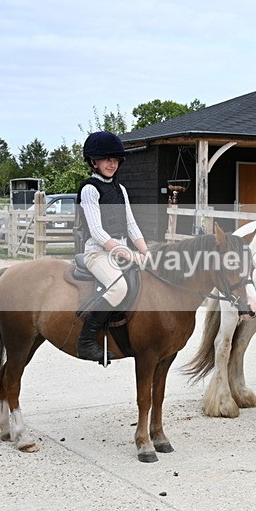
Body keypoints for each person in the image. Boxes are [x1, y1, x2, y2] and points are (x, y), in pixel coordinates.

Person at [75, 131, 149, 362]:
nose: (112, 164)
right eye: (107, 159)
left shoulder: (121, 189)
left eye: (115, 159)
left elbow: (131, 225)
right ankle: (86, 341)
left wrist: (145, 252)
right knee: (118, 288)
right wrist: (128, 253)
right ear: (93, 162)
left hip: (120, 251)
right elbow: (97, 232)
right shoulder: (89, 189)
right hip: (97, 253)